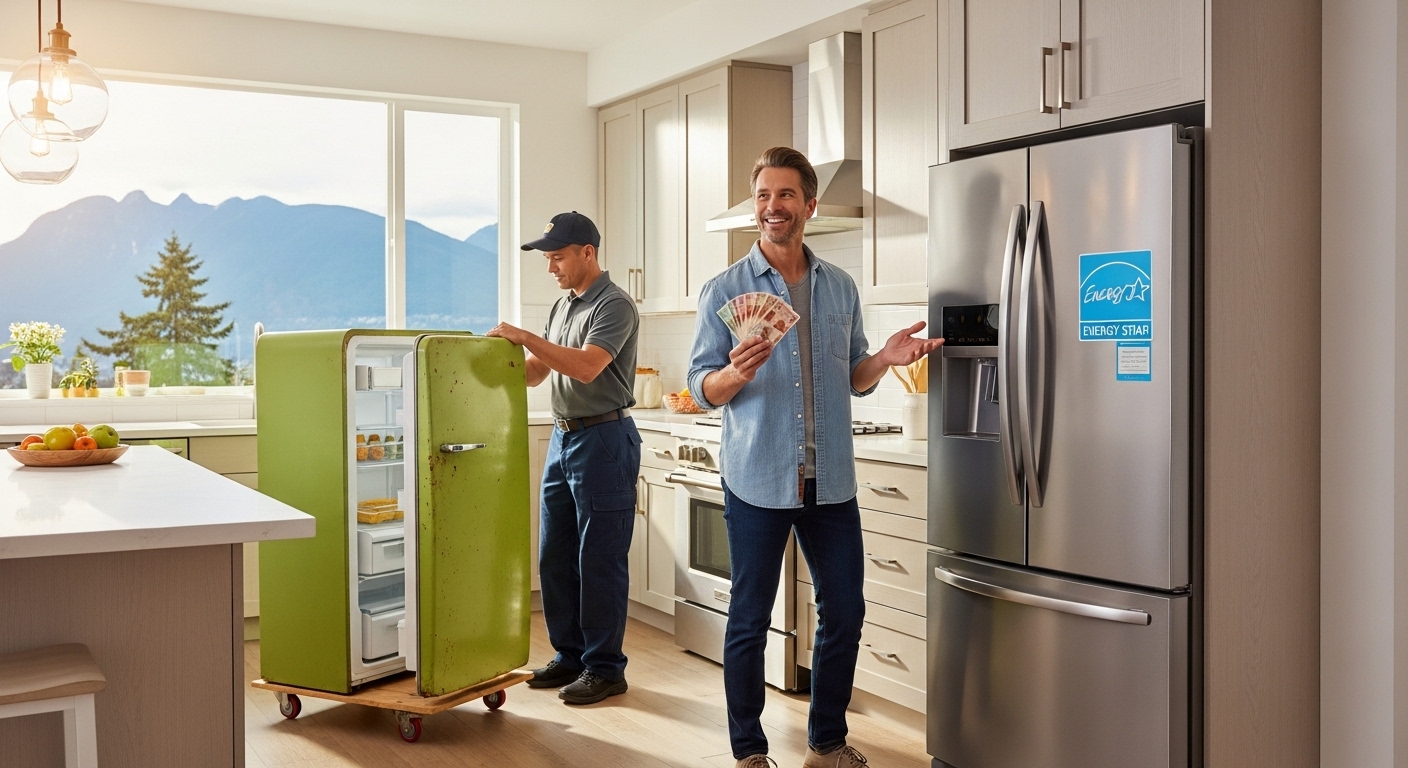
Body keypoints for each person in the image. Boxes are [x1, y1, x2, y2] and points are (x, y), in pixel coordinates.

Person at [687, 148, 942, 768]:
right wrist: (732, 373)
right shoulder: (725, 290)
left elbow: (854, 377)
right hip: (757, 478)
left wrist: (884, 359)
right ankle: (749, 751)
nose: (773, 208)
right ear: (757, 207)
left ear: (809, 205)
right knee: (749, 617)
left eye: (785, 196)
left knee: (845, 611)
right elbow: (701, 389)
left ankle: (827, 740)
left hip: (829, 480)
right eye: (764, 197)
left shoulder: (840, 287)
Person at [486, 211, 642, 706]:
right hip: (563, 439)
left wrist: (528, 337)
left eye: (557, 257)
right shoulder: (563, 306)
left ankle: (605, 667)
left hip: (604, 440)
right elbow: (537, 373)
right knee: (555, 556)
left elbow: (588, 368)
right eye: (548, 258)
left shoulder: (614, 304)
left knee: (598, 560)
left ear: (587, 253)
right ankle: (570, 655)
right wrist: (484, 362)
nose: (551, 267)